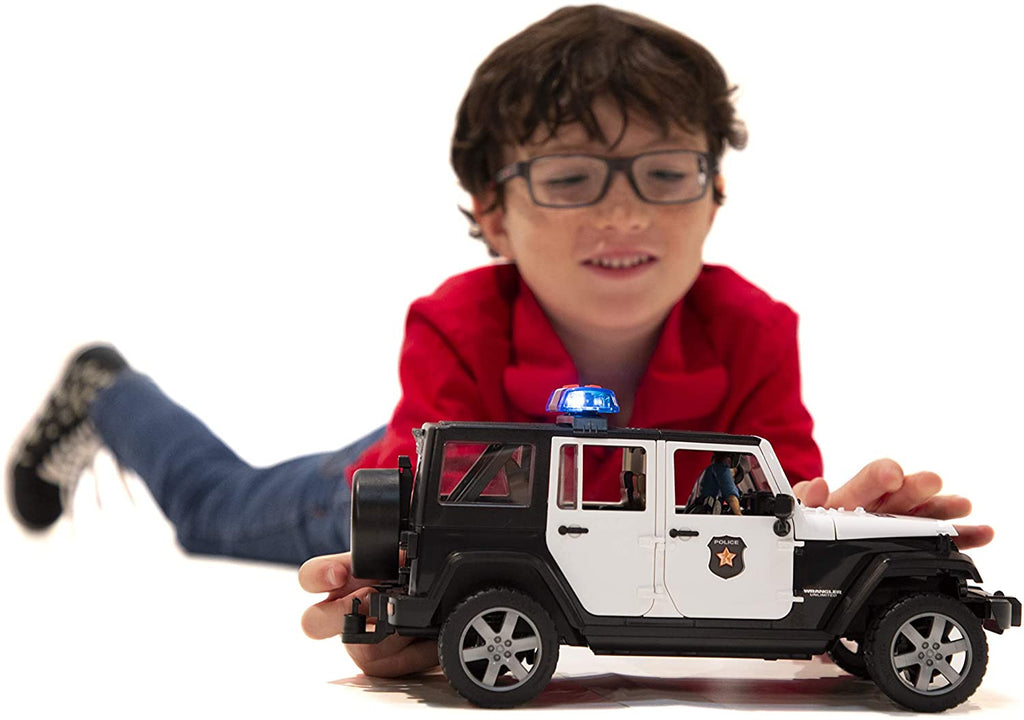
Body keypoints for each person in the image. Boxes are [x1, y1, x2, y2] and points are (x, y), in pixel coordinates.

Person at [8, 4, 993, 680]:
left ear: (714, 196)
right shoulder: (456, 320)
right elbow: (423, 503)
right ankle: (109, 390)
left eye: (663, 173)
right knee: (213, 513)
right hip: (378, 479)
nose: (623, 213)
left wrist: (849, 521)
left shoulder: (754, 328)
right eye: (570, 178)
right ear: (491, 214)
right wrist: (390, 596)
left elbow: (778, 502)